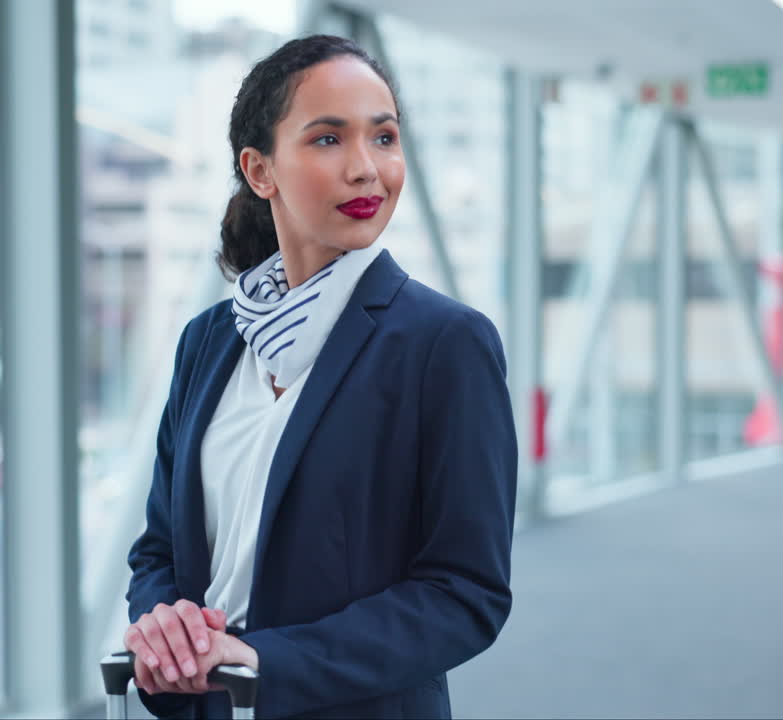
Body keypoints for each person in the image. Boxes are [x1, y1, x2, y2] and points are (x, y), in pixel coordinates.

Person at [123, 34, 518, 719]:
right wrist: (166, 629)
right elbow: (159, 549)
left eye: (384, 138)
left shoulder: (445, 345)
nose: (367, 169)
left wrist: (264, 664)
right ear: (260, 170)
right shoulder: (209, 342)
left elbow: (465, 593)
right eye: (329, 139)